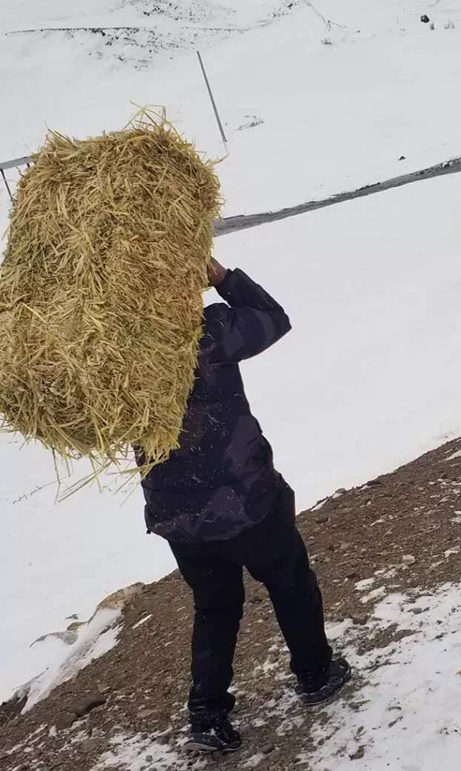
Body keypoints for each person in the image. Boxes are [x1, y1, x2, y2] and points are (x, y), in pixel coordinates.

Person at [137, 258, 351, 753]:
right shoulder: (206, 334)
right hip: (246, 498)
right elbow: (274, 318)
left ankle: (207, 716)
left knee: (214, 606)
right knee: (290, 581)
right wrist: (221, 277)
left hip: (178, 513)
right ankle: (316, 673)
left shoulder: (113, 355)